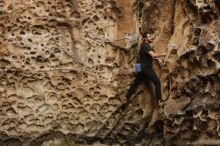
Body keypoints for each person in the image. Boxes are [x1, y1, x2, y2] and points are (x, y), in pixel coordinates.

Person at [126, 31, 166, 102]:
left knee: (136, 83)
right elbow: (153, 55)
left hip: (140, 67)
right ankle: (159, 100)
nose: (151, 38)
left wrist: (158, 59)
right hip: (145, 67)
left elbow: (152, 55)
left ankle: (126, 98)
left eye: (151, 36)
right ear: (145, 38)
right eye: (149, 36)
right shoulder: (145, 45)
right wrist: (163, 54)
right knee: (157, 82)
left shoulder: (146, 45)